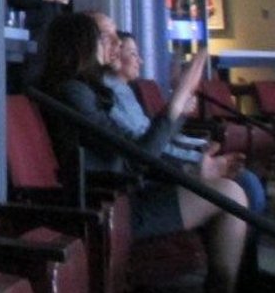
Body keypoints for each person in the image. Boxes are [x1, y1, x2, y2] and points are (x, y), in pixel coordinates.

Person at [41, 13, 246, 293]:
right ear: (82, 45)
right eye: (103, 39)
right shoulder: (73, 92)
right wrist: (176, 104)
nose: (114, 44)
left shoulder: (88, 90)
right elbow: (139, 156)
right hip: (109, 207)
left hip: (123, 193)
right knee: (232, 194)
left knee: (234, 190)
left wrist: (191, 165)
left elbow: (139, 149)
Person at [106, 26, 266, 214]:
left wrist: (185, 123)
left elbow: (160, 135)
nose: (140, 61)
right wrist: (195, 161)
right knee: (248, 184)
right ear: (113, 55)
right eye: (133, 54)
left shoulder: (126, 90)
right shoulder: (109, 95)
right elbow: (149, 146)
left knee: (249, 183)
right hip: (162, 172)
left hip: (172, 161)